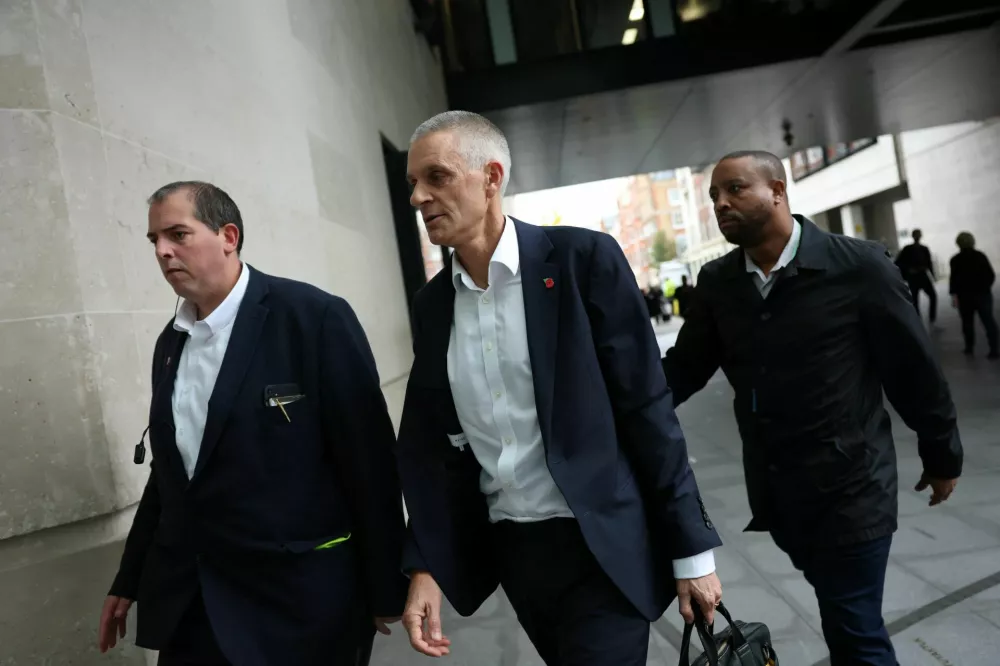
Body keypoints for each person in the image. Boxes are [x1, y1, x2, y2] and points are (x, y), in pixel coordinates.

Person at [395, 111, 723, 665]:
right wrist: (424, 565)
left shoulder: (581, 262)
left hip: (600, 545)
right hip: (516, 555)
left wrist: (692, 548)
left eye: (436, 177)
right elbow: (431, 447)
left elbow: (647, 410)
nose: (417, 197)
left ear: (491, 177)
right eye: (411, 184)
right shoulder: (434, 307)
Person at [662, 151, 962, 666]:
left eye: (735, 189)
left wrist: (942, 456)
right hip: (780, 495)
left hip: (853, 488)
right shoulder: (718, 283)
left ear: (777, 190)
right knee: (841, 614)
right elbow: (684, 369)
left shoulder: (859, 266)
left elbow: (914, 371)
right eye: (714, 196)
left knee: (854, 630)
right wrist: (618, 409)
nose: (721, 203)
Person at [97, 182, 407, 665]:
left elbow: (370, 465)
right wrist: (130, 577)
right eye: (154, 239)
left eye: (178, 233)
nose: (162, 251)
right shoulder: (171, 344)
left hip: (298, 609)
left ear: (228, 236)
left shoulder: (312, 318)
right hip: (193, 606)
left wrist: (386, 587)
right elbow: (173, 475)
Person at [949, 231, 998, 359]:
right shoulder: (980, 256)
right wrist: (985, 288)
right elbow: (990, 275)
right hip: (982, 295)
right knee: (988, 322)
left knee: (967, 322)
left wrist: (954, 296)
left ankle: (969, 347)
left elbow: (954, 280)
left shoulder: (955, 260)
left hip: (965, 297)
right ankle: (995, 349)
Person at [895, 229, 937, 323]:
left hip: (922, 275)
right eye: (916, 235)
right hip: (913, 277)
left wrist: (932, 275)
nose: (918, 237)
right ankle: (918, 318)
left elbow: (929, 263)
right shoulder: (908, 249)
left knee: (931, 296)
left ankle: (930, 317)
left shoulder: (924, 249)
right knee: (915, 299)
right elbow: (898, 262)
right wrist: (908, 270)